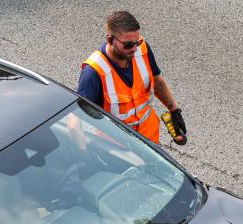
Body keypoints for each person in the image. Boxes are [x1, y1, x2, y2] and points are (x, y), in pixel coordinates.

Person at [76, 10, 186, 145]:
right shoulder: (93, 73)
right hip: (119, 151)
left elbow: (157, 82)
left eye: (137, 42)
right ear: (110, 40)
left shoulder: (142, 49)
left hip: (150, 142)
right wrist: (81, 151)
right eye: (128, 45)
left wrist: (174, 111)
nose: (134, 48)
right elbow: (76, 118)